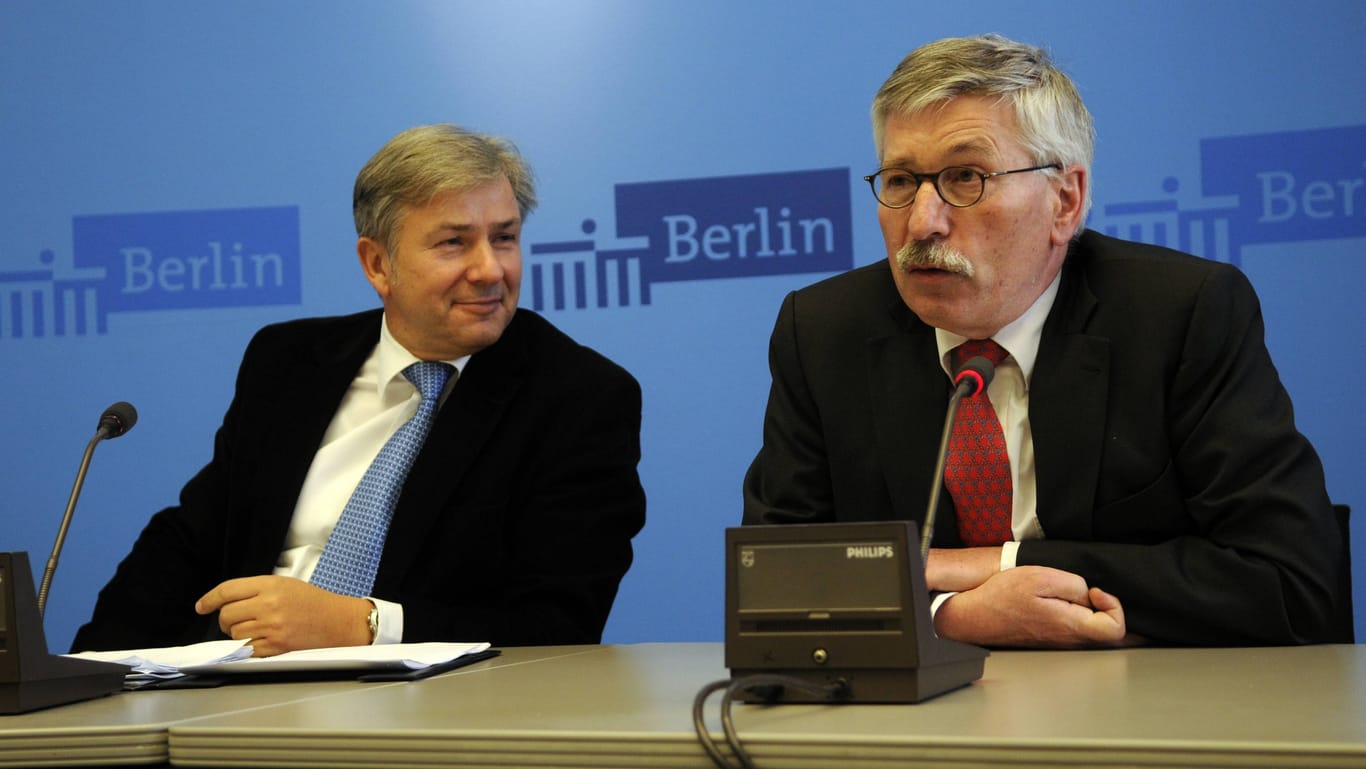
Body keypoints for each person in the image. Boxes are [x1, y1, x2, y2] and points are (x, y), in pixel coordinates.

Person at [742, 34, 1344, 647]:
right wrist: (946, 615)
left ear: (1065, 201)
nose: (923, 222)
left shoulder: (1179, 315)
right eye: (900, 180)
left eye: (966, 177)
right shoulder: (824, 332)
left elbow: (1290, 582)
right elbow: (771, 587)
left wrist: (1003, 565)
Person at [73, 124, 646, 655]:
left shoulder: (580, 397)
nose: (490, 269)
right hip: (232, 685)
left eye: (504, 238)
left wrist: (362, 626)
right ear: (378, 264)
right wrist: (89, 671)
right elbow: (190, 538)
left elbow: (558, 628)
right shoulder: (288, 362)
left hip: (428, 715)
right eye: (453, 243)